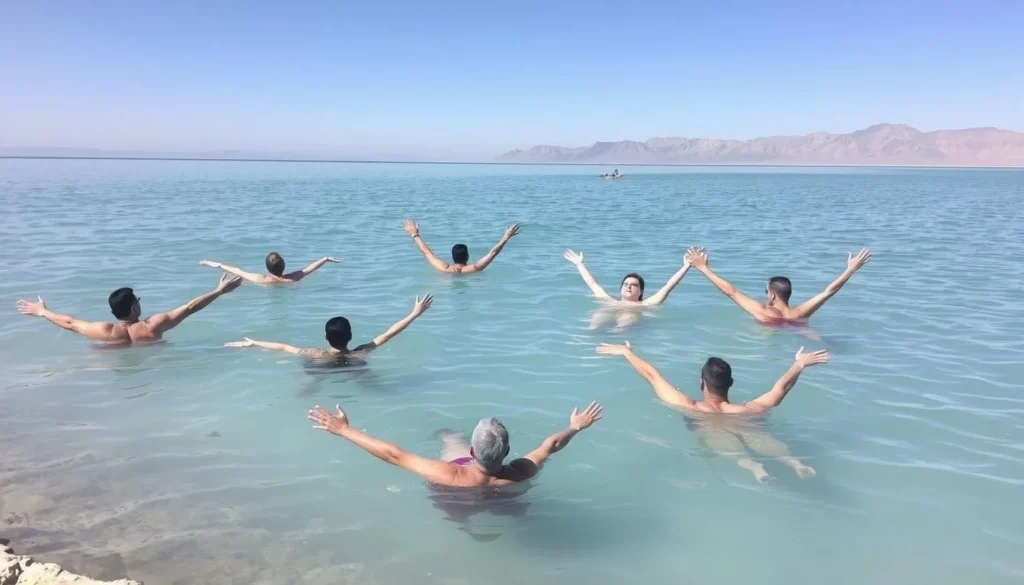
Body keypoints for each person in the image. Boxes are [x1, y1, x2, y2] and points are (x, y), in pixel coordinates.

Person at [596, 341, 827, 482]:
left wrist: (627, 353)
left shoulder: (691, 406)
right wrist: (799, 364)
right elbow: (781, 388)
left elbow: (652, 376)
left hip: (708, 425)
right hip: (743, 422)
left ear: (701, 384)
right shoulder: (748, 409)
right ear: (731, 383)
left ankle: (756, 469)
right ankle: (794, 462)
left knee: (720, 439)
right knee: (760, 438)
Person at [307, 401, 604, 488]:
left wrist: (344, 430)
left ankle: (447, 434)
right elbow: (549, 446)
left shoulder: (448, 474)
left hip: (458, 494)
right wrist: (575, 426)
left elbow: (392, 456)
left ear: (474, 453)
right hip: (506, 499)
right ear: (509, 452)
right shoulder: (521, 471)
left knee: (450, 440)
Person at [16, 274, 242, 345]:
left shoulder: (105, 331)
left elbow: (70, 323)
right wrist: (219, 291)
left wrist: (43, 312)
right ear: (135, 307)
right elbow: (191, 307)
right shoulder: (152, 326)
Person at [685, 248, 871, 324]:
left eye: (766, 291)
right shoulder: (800, 313)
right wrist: (851, 270)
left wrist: (703, 268)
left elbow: (730, 292)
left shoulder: (764, 312)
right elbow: (829, 291)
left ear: (772, 295)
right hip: (798, 331)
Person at [224, 294, 433, 361]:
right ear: (350, 336)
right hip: (353, 368)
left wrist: (252, 343)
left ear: (325, 337)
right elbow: (389, 333)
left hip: (320, 367)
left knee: (310, 380)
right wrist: (415, 313)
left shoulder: (315, 353)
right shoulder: (360, 353)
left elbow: (282, 347)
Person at [563, 247, 701, 306]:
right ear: (620, 288)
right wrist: (579, 264)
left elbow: (668, 286)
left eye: (634, 285)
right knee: (598, 317)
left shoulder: (646, 304)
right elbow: (592, 284)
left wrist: (685, 266)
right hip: (605, 325)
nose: (628, 286)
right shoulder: (609, 301)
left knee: (626, 320)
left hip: (625, 332)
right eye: (626, 284)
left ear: (641, 292)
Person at [403, 220, 519, 274]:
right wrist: (506, 237)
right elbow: (493, 253)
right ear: (467, 256)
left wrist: (414, 234)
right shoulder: (474, 269)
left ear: (452, 257)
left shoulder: (444, 269)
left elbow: (426, 252)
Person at [200, 252, 340, 284]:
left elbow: (237, 271)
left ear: (267, 268)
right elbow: (310, 268)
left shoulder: (261, 279)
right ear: (284, 266)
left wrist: (217, 265)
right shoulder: (293, 278)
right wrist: (325, 259)